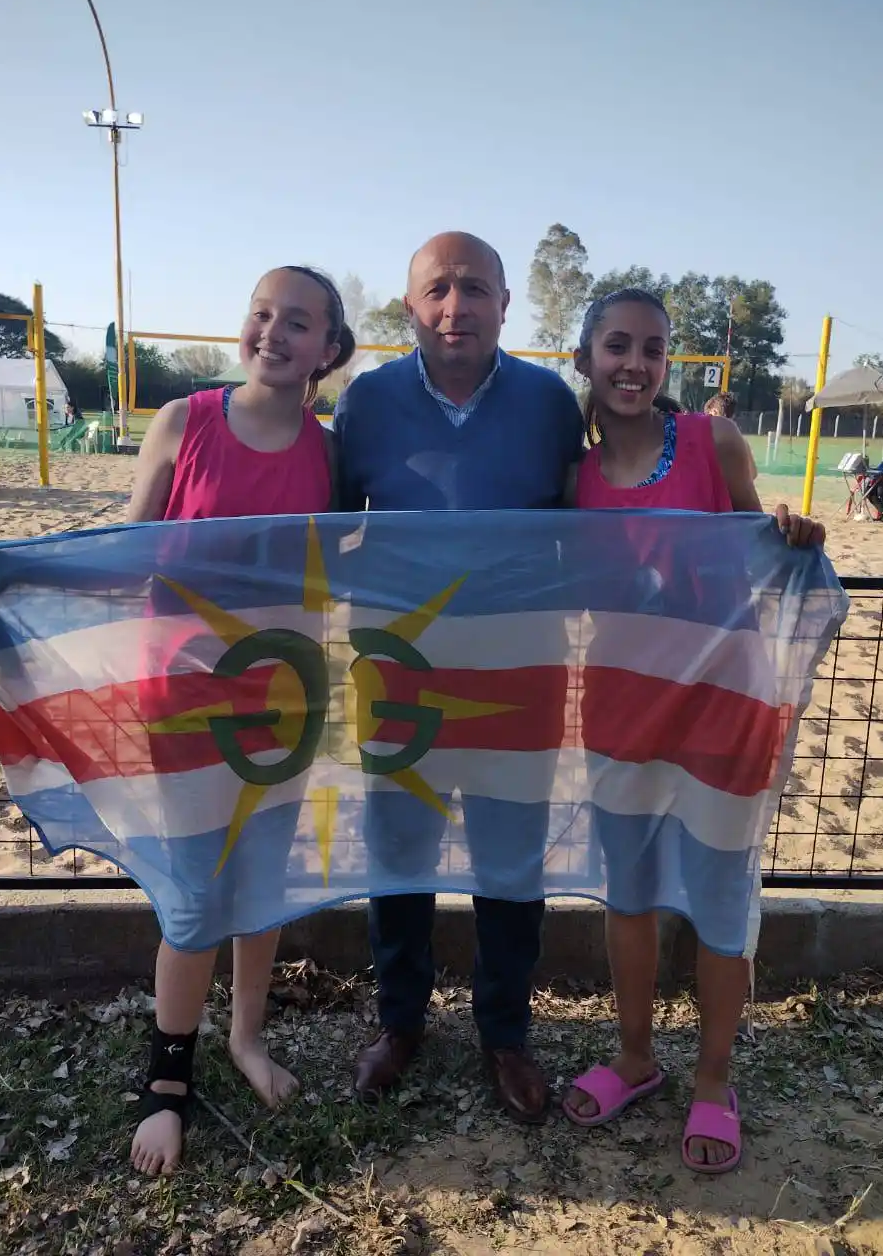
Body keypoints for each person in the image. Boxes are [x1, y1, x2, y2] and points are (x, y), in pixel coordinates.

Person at [561, 288, 825, 1173]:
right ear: (585, 358)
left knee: (718, 904)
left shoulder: (714, 443)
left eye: (651, 347)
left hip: (723, 706)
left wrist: (790, 529)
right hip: (619, 711)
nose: (633, 363)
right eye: (615, 346)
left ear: (667, 362)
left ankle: (713, 1081)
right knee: (627, 898)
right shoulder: (572, 476)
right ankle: (634, 1058)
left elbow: (762, 539)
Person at [333, 231, 583, 1123]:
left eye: (474, 288)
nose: (454, 306)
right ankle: (400, 1024)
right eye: (436, 289)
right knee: (398, 854)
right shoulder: (364, 403)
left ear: (506, 304)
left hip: (521, 668)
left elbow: (603, 527)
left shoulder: (553, 403)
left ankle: (504, 1035)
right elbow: (317, 533)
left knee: (511, 861)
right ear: (408, 307)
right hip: (399, 672)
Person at [126, 266, 354, 1176]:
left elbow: (350, 565)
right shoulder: (184, 422)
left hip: (287, 693)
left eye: (297, 323)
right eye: (262, 314)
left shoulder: (334, 453)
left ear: (327, 350)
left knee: (261, 873)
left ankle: (245, 1039)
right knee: (193, 889)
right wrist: (0, 573)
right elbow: (119, 547)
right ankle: (166, 1079)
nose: (273, 332)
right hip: (180, 695)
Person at [704, 390, 757, 477]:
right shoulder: (741, 442)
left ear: (714, 412)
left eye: (708, 415)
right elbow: (752, 474)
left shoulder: (702, 440)